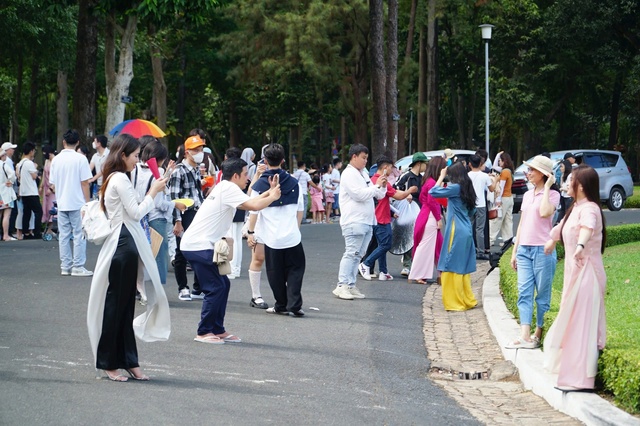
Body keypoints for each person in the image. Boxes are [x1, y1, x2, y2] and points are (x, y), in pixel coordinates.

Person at [86, 133, 171, 382]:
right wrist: (153, 191)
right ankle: (110, 362)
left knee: (123, 308)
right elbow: (135, 213)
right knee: (116, 308)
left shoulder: (115, 177)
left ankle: (128, 361)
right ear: (123, 155)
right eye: (135, 156)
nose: (138, 160)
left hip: (125, 244)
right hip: (123, 245)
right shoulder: (120, 179)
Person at [182, 157, 282, 344]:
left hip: (199, 244)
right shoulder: (228, 188)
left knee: (223, 285)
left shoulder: (224, 186)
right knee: (216, 287)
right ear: (236, 175)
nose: (248, 178)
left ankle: (217, 329)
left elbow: (252, 199)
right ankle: (204, 331)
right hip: (198, 245)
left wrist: (269, 192)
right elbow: (253, 205)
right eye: (245, 174)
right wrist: (273, 197)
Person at [543, 165, 607, 392]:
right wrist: (552, 240)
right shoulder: (575, 207)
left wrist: (580, 245)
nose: (568, 183)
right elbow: (561, 227)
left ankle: (581, 380)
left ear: (581, 185)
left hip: (587, 274)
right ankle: (570, 375)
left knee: (581, 325)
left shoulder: (590, 208)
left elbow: (587, 228)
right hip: (574, 273)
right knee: (572, 322)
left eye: (571, 180)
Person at [506, 155, 560, 349]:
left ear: (544, 174)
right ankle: (525, 335)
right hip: (524, 249)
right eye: (528, 170)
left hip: (542, 250)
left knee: (542, 294)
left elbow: (545, 213)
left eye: (532, 170)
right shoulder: (528, 195)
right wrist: (515, 250)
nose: (528, 173)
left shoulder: (553, 195)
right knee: (524, 292)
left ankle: (538, 332)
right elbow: (522, 224)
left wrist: (546, 188)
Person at [247, 143, 306, 315]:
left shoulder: (258, 186)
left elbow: (253, 211)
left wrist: (251, 232)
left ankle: (281, 305)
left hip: (272, 239)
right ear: (283, 160)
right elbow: (300, 210)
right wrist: (296, 229)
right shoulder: (294, 183)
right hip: (292, 237)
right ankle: (295, 306)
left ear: (264, 160)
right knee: (296, 270)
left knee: (275, 274)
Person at [332, 144, 387, 300]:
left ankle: (350, 284)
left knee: (359, 255)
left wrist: (381, 186)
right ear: (354, 157)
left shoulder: (363, 173)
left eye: (366, 158)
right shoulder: (348, 174)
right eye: (363, 158)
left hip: (367, 220)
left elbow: (378, 195)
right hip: (354, 220)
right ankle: (342, 284)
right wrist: (376, 187)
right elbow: (359, 195)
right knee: (351, 252)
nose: (365, 161)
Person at [133, 141, 185, 285]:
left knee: (141, 255)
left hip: (139, 217)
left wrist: (168, 172)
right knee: (159, 256)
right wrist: (176, 204)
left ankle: (139, 288)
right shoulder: (158, 173)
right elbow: (159, 203)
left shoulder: (135, 169)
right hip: (156, 219)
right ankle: (158, 289)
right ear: (160, 158)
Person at [429, 162, 478, 311]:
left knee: (451, 264)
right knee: (462, 265)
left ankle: (455, 301)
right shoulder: (467, 188)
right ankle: (466, 298)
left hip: (456, 230)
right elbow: (472, 212)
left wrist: (441, 176)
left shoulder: (455, 188)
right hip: (466, 230)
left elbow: (433, 192)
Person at [359, 157, 417, 281]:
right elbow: (399, 195)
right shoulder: (383, 181)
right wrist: (410, 191)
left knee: (380, 245)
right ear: (385, 167)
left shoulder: (372, 180)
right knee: (386, 245)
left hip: (374, 217)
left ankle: (383, 271)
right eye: (391, 167)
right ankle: (366, 264)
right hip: (381, 219)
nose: (392, 170)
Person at [49, 130, 94, 276]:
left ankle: (65, 266)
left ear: (64, 142)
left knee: (63, 235)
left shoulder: (56, 160)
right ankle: (78, 266)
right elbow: (85, 183)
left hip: (62, 202)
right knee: (79, 234)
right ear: (78, 143)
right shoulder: (81, 159)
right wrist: (87, 203)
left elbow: (53, 184)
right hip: (77, 202)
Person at [169, 135, 206, 301]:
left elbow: (197, 194)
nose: (200, 153)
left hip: (198, 213)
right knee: (182, 252)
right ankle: (183, 287)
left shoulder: (196, 169)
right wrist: (177, 222)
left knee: (199, 250)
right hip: (185, 214)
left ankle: (198, 288)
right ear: (187, 153)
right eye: (196, 150)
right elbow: (174, 199)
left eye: (201, 149)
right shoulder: (178, 171)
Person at [408, 156, 446, 284]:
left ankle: (439, 273)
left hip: (426, 214)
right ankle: (419, 273)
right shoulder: (431, 182)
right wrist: (438, 218)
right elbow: (432, 201)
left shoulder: (428, 181)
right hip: (430, 215)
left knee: (436, 245)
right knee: (427, 245)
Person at [395, 152, 428, 276]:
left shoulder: (422, 178)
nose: (426, 166)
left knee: (417, 237)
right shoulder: (406, 176)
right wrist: (406, 194)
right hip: (408, 211)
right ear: (419, 164)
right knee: (408, 236)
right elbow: (395, 189)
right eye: (425, 163)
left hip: (419, 210)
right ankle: (407, 265)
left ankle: (416, 264)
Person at [468, 154, 497, 257]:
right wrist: (495, 179)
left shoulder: (467, 175)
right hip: (481, 204)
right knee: (480, 229)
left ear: (469, 164)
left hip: (470, 204)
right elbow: (492, 189)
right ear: (480, 164)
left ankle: (470, 249)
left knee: (469, 227)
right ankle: (480, 251)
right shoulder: (485, 176)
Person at [16, 142, 42, 240]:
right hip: (31, 191)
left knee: (26, 212)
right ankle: (37, 232)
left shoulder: (20, 163)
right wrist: (35, 169)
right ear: (31, 151)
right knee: (38, 211)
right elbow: (34, 176)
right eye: (34, 151)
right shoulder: (29, 163)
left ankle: (26, 233)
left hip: (24, 191)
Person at [489, 151, 514, 246]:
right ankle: (507, 241)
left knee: (496, 220)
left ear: (504, 161)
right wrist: (497, 155)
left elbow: (501, 187)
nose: (499, 162)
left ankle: (490, 240)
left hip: (503, 198)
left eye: (500, 160)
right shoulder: (509, 171)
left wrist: (498, 200)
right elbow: (494, 167)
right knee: (507, 220)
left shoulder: (504, 172)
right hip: (509, 198)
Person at [0, 148, 18, 240]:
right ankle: (5, 235)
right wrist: (11, 181)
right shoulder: (4, 165)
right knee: (6, 215)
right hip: (5, 192)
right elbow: (12, 174)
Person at [40, 144, 57, 237]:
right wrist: (41, 186)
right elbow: (44, 173)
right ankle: (49, 228)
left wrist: (52, 188)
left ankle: (52, 227)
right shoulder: (47, 161)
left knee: (52, 206)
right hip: (46, 186)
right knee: (46, 207)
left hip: (53, 188)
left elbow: (57, 176)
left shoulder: (55, 161)